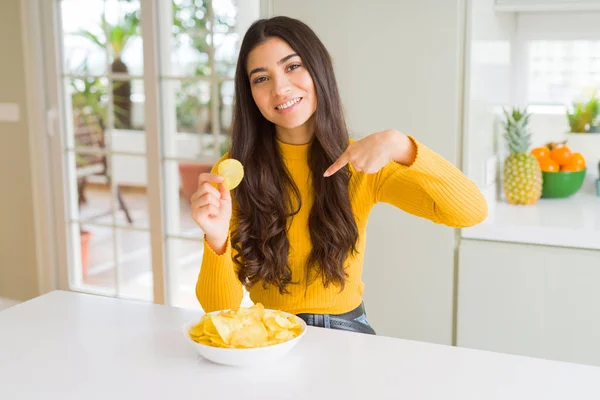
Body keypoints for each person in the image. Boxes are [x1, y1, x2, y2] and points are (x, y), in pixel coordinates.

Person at [190, 16, 487, 335]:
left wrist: (402, 146)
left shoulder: (363, 161)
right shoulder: (234, 169)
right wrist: (216, 238)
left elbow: (471, 212)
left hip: (347, 331)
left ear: (319, 69)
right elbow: (219, 310)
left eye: (292, 67)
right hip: (271, 335)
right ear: (250, 94)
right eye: (261, 78)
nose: (280, 88)